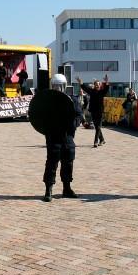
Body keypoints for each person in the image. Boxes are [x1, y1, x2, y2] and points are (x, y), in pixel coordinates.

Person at [43, 74, 84, 202]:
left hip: (67, 136)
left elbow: (79, 114)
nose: (58, 88)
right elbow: (40, 115)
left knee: (68, 161)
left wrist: (74, 124)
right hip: (53, 136)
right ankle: (48, 189)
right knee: (52, 162)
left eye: (60, 85)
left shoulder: (72, 99)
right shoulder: (48, 100)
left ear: (65, 86)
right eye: (55, 86)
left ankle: (67, 188)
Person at [76, 75, 110, 147]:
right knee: (97, 127)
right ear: (94, 85)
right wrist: (80, 82)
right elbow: (85, 88)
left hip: (100, 112)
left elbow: (106, 89)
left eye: (98, 84)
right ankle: (102, 140)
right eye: (96, 84)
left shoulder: (102, 92)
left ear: (100, 85)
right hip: (93, 111)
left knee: (97, 127)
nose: (97, 85)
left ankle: (95, 142)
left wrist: (106, 82)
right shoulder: (92, 91)